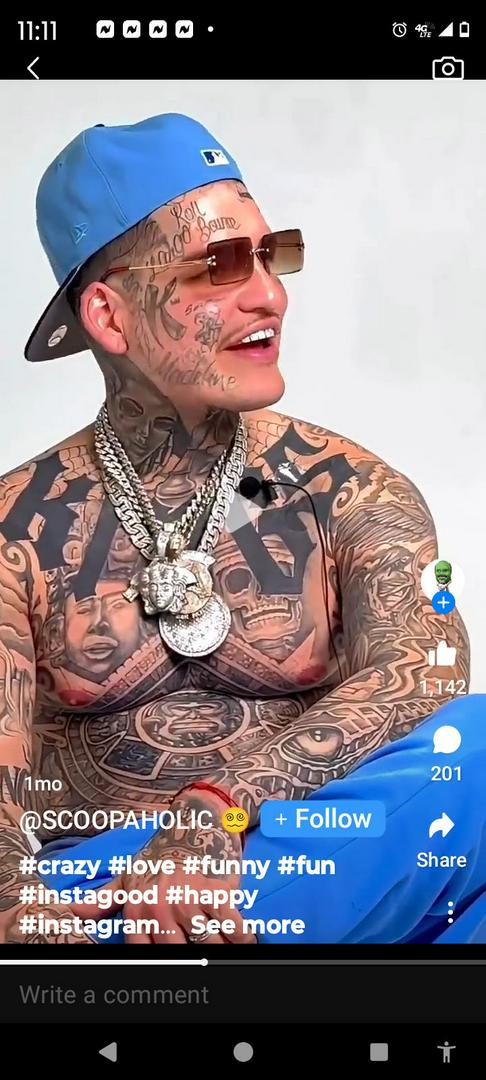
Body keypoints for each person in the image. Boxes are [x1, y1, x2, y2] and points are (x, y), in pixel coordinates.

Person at [0, 112, 480, 947]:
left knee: (474, 746)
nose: (271, 295)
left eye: (272, 254)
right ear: (110, 316)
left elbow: (424, 675)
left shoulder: (345, 490)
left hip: (329, 858)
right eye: (219, 265)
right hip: (114, 896)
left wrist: (214, 813)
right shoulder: (19, 528)